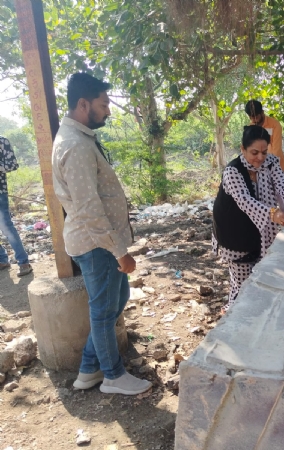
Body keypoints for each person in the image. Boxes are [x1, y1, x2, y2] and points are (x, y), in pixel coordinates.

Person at [52, 73, 151, 396]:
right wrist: (119, 250)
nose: (108, 111)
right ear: (84, 104)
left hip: (97, 241)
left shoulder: (80, 139)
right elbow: (89, 209)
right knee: (104, 310)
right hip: (96, 243)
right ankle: (113, 375)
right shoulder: (76, 146)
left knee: (115, 301)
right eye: (103, 104)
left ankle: (88, 369)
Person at [212, 125, 284, 310]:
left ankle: (257, 315)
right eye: (254, 152)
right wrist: (272, 213)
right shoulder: (233, 171)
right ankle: (235, 321)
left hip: (262, 231)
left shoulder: (270, 162)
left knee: (262, 276)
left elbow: (282, 185)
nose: (260, 158)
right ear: (242, 149)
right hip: (236, 234)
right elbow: (244, 201)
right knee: (242, 285)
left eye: (264, 151)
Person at [0, 135, 33, 277]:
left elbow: (12, 164)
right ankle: (2, 260)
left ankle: (23, 262)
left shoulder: (2, 141)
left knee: (6, 227)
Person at [245, 100, 284, 175]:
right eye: (252, 118)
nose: (255, 120)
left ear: (262, 112)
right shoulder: (251, 127)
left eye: (256, 117)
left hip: (277, 168)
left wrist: (268, 168)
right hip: (260, 170)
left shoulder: (275, 125)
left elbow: (276, 150)